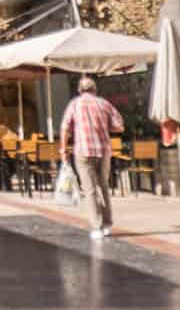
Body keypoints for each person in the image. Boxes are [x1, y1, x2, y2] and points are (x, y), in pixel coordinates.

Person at [59, 74, 124, 238]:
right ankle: (108, 224)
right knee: (103, 186)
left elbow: (65, 127)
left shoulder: (74, 104)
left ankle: (97, 226)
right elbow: (119, 126)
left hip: (83, 150)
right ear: (95, 89)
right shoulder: (104, 103)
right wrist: (104, 126)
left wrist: (63, 149)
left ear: (80, 90)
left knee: (89, 190)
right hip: (103, 150)